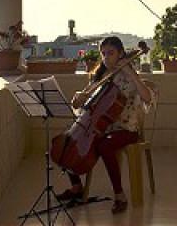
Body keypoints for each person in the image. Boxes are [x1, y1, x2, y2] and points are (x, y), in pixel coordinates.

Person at [56, 36, 154, 214]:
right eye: (103, 54)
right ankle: (77, 187)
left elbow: (147, 98)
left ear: (121, 54)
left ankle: (119, 195)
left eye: (111, 53)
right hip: (100, 127)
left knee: (104, 145)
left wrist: (131, 73)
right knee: (67, 141)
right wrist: (78, 99)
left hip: (126, 129)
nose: (106, 57)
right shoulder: (100, 76)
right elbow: (83, 105)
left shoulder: (129, 77)